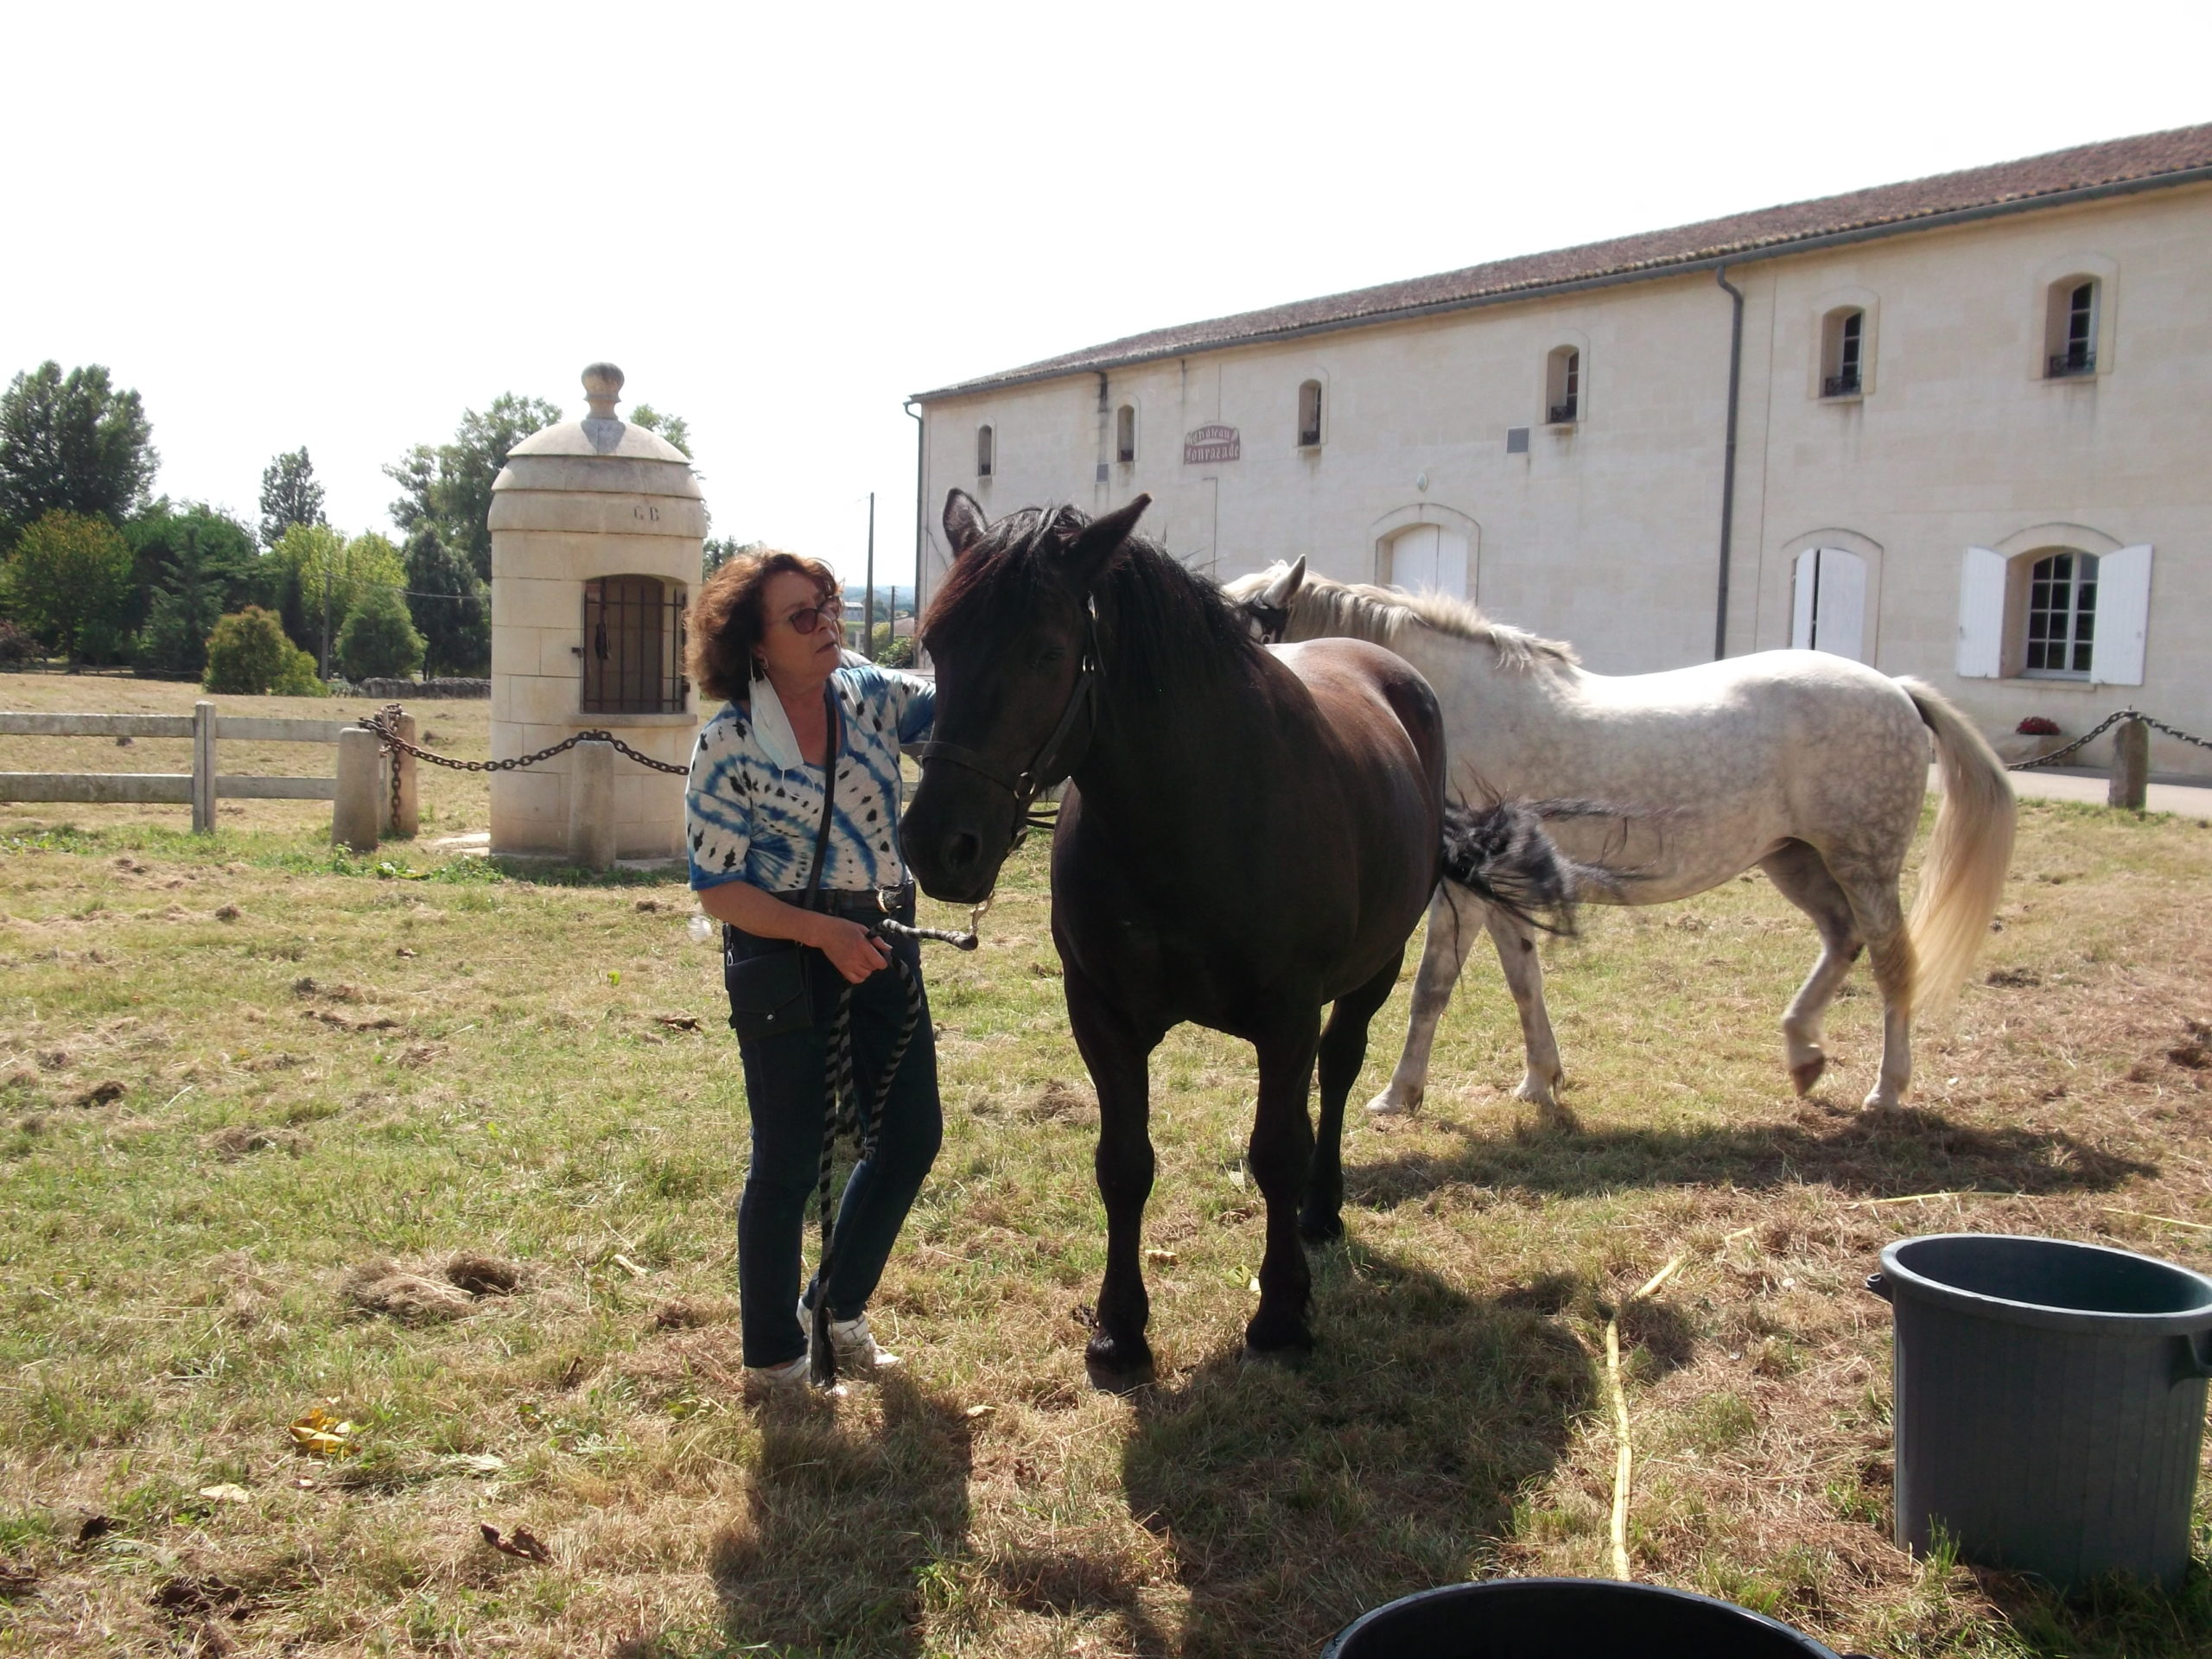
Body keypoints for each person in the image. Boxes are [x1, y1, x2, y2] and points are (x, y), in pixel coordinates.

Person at [684, 550, 938, 1395]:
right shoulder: (726, 742)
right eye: (801, 616)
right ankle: (770, 1361)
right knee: (788, 1157)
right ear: (755, 643)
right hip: (780, 947)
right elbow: (718, 887)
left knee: (909, 1135)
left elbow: (965, 712)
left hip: (880, 929)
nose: (827, 624)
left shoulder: (869, 694)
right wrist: (822, 933)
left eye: (828, 606)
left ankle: (834, 1307)